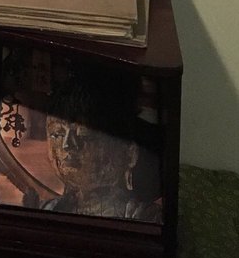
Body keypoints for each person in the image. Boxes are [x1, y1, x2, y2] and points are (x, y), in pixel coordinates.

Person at [36, 71, 161, 222]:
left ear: (130, 153)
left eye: (85, 135)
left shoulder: (146, 218)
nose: (67, 144)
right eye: (57, 134)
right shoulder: (46, 210)